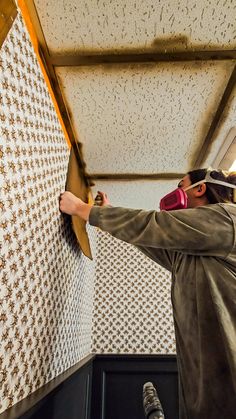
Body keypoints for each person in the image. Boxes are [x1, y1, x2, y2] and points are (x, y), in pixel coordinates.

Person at [59, 168, 236, 419]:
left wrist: (82, 210)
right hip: (204, 390)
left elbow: (153, 224)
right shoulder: (194, 248)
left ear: (199, 188)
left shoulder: (228, 218)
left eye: (180, 184)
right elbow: (149, 237)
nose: (175, 191)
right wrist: (106, 214)